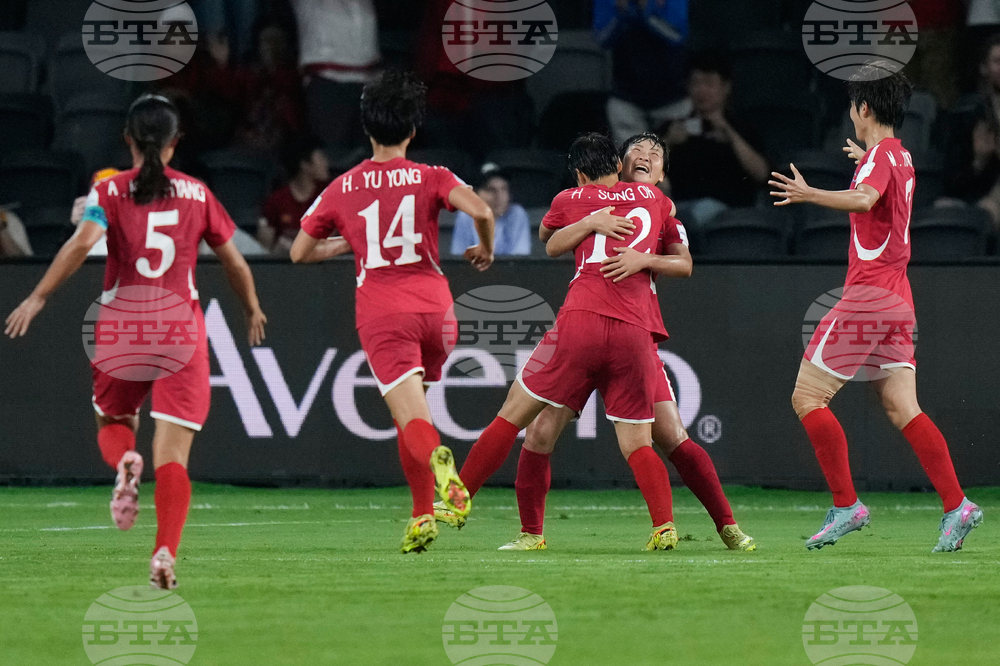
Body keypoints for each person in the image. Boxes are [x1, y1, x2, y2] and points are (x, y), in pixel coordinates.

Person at [438, 133, 754, 551]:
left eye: (654, 154)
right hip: (634, 334)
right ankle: (540, 532)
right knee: (548, 432)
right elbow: (678, 257)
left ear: (662, 171)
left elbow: (550, 237)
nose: (645, 156)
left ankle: (724, 525)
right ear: (619, 164)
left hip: (595, 326)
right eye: (637, 151)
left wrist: (640, 255)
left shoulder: (629, 204)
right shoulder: (656, 206)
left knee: (671, 436)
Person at [4, 95, 268, 587]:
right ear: (175, 142)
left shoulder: (109, 193)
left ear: (127, 139)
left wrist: (38, 297)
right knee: (173, 459)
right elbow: (233, 260)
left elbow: (81, 243)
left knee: (113, 422)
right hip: (178, 328)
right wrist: (251, 306)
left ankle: (125, 461)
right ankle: (164, 551)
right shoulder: (196, 193)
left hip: (123, 324)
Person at [769, 65, 983, 552]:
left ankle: (847, 505)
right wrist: (867, 159)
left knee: (808, 398)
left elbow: (865, 198)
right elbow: (880, 193)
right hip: (897, 297)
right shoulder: (900, 155)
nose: (851, 113)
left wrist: (809, 193)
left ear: (863, 108)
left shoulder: (878, 160)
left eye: (852, 105)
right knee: (902, 406)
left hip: (868, 297)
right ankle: (957, 505)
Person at [289, 71, 496, 553]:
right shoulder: (433, 176)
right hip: (438, 310)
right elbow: (483, 211)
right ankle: (422, 516)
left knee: (416, 424)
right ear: (412, 131)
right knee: (413, 414)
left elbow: (300, 251)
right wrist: (484, 250)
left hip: (385, 311)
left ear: (367, 129)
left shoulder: (343, 186)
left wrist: (353, 242)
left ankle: (444, 466)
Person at [662, 52, 770, 226]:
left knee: (700, 212)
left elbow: (763, 174)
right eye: (696, 83)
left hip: (729, 212)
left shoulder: (742, 129)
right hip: (680, 206)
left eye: (709, 83)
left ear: (726, 87)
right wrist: (668, 142)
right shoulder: (673, 128)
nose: (702, 90)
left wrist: (729, 134)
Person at [595, 0, 691, 145]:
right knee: (634, 163)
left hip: (672, 100)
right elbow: (602, 39)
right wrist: (622, 11)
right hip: (626, 100)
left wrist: (646, 9)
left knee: (677, 163)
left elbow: (677, 35)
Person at [260, 138, 331, 254]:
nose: (326, 163)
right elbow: (265, 247)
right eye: (321, 158)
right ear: (305, 165)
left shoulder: (329, 196)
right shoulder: (277, 200)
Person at [450, 164, 531, 257]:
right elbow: (459, 259)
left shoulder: (517, 214)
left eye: (503, 189)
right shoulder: (466, 215)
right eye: (491, 190)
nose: (499, 196)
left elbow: (520, 261)